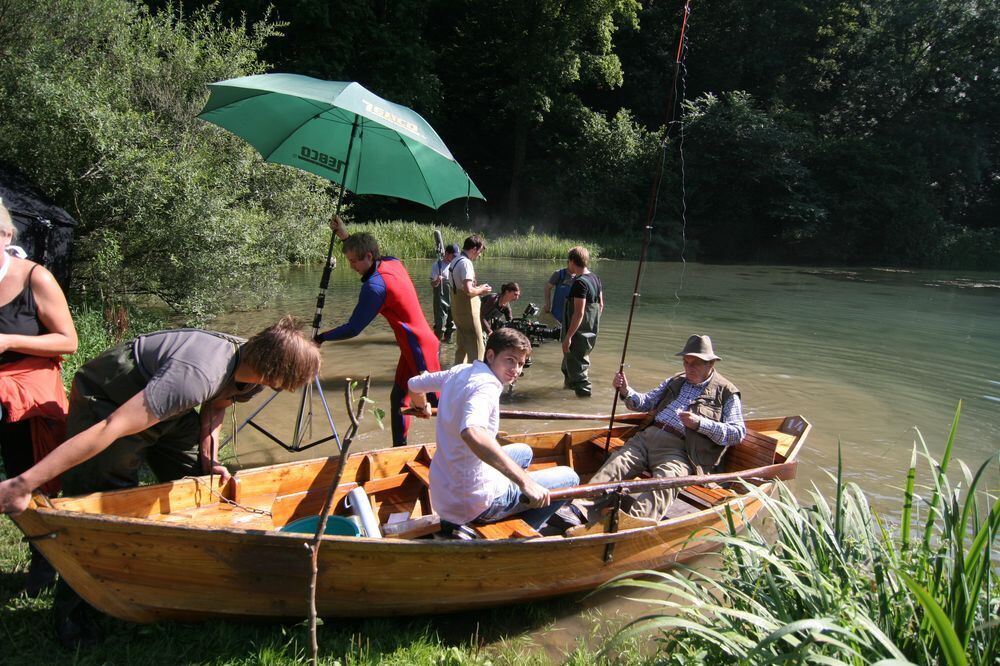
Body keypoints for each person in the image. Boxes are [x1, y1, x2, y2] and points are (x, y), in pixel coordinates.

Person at [0, 315, 320, 647]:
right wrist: (22, 484)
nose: (286, 389)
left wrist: (209, 460)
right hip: (109, 398)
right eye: (288, 382)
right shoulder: (196, 377)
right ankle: (73, 611)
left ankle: (175, 576)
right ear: (273, 371)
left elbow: (217, 404)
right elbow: (112, 427)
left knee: (199, 486)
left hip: (168, 408)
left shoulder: (251, 369)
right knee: (100, 508)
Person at [559, 334, 745, 527]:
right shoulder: (676, 381)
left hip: (680, 453)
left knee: (664, 482)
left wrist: (700, 424)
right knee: (617, 464)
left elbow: (737, 432)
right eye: (686, 362)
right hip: (646, 438)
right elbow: (645, 402)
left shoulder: (727, 392)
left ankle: (633, 527)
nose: (688, 368)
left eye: (695, 363)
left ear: (711, 363)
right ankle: (580, 509)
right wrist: (625, 390)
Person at [407, 328, 579, 531]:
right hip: (472, 504)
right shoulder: (486, 387)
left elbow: (414, 385)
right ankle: (521, 532)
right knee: (570, 477)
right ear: (490, 355)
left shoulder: (460, 370)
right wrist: (525, 483)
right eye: (510, 360)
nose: (515, 369)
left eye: (521, 364)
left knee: (524, 452)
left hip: (443, 492)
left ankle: (516, 501)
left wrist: (421, 406)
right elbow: (472, 432)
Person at [0, 199, 78, 596]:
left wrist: (9, 340)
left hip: (29, 383)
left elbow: (69, 342)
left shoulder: (35, 278)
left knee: (24, 469)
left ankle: (45, 556)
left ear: (5, 235)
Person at [318, 215, 440, 446]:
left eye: (354, 261)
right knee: (399, 399)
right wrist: (344, 235)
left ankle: (467, 448)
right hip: (412, 345)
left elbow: (353, 328)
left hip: (419, 348)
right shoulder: (392, 262)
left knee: (440, 404)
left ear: (369, 257)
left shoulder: (375, 287)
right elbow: (365, 247)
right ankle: (399, 449)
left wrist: (321, 337)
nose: (352, 266)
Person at [560, 246, 604, 397]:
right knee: (568, 365)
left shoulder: (580, 283)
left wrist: (568, 337)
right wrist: (591, 326)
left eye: (568, 261)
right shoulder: (595, 278)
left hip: (578, 333)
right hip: (590, 331)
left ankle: (584, 402)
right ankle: (566, 395)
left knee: (579, 373)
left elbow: (578, 313)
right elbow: (601, 306)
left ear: (572, 261)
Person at [449, 235, 491, 365]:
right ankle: (476, 378)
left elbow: (461, 287)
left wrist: (477, 287)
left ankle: (456, 377)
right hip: (468, 312)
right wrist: (482, 290)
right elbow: (468, 290)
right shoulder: (466, 263)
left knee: (462, 348)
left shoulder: (455, 260)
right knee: (478, 347)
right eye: (479, 252)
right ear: (474, 249)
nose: (478, 256)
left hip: (458, 311)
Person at [430, 243, 458, 341]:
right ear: (446, 253)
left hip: (454, 297)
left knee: (452, 325)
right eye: (453, 255)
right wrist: (437, 280)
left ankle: (448, 344)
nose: (455, 257)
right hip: (440, 298)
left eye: (456, 256)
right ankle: (436, 345)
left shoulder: (456, 264)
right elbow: (433, 284)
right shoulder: (437, 265)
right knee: (440, 325)